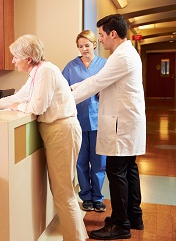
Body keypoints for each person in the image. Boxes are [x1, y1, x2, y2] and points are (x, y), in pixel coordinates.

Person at [0, 34, 88, 241]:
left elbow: (36, 106)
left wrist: (19, 107)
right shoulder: (37, 74)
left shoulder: (46, 72)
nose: (13, 61)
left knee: (63, 193)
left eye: (15, 57)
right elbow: (20, 96)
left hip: (61, 131)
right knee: (62, 191)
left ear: (27, 58)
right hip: (56, 132)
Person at [71, 14, 146, 240]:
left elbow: (96, 82)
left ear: (113, 34)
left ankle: (121, 225)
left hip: (121, 125)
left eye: (102, 35)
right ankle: (134, 216)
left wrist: (64, 97)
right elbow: (103, 83)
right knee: (129, 169)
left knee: (117, 172)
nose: (100, 40)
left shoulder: (121, 57)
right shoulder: (127, 53)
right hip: (127, 123)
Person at [62, 30, 107, 213]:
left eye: (87, 45)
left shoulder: (104, 65)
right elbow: (63, 91)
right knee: (80, 161)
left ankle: (98, 197)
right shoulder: (71, 66)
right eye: (80, 46)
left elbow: (112, 86)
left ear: (95, 44)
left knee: (99, 161)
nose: (83, 49)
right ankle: (86, 196)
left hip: (99, 120)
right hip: (77, 120)